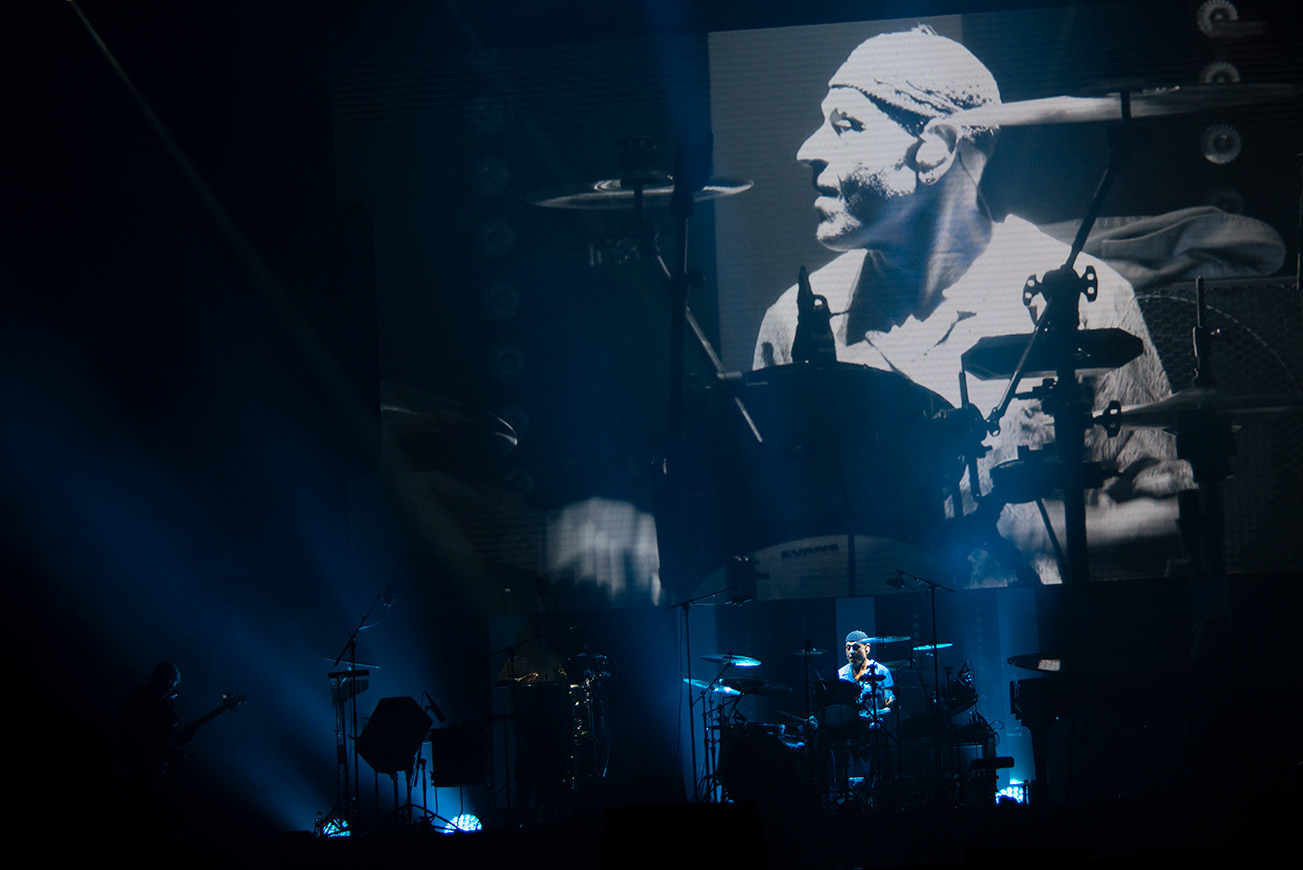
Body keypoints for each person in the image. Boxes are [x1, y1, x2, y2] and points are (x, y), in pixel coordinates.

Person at [753, 26, 1189, 584]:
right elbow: (764, 531)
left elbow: (1175, 510)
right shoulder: (794, 320)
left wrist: (1038, 529)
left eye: (846, 126)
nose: (807, 150)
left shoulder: (1085, 295)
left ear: (934, 148)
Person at [837, 630, 894, 714]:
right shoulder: (841, 673)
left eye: (856, 647)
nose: (851, 652)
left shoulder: (881, 671)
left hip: (874, 720)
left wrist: (878, 714)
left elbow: (890, 705)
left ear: (867, 648)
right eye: (848, 648)